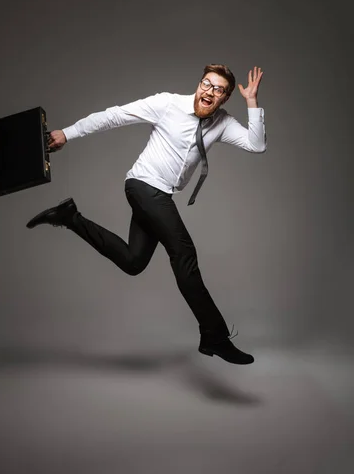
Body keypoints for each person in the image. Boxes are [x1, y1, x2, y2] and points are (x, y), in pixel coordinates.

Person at [27, 64, 266, 365]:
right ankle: (214, 335)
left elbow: (256, 145)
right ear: (199, 83)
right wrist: (68, 133)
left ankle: (69, 216)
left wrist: (252, 103)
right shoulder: (168, 104)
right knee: (183, 252)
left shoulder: (222, 122)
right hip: (142, 186)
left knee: (133, 261)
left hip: (160, 195)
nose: (209, 92)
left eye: (218, 90)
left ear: (225, 97)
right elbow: (114, 115)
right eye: (206, 84)